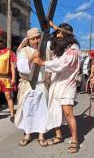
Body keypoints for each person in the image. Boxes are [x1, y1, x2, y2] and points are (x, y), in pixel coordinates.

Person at [33, 21, 80, 153]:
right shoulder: (57, 47)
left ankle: (75, 139)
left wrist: (43, 63)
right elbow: (46, 45)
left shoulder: (73, 48)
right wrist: (44, 34)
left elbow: (63, 64)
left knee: (67, 112)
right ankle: (58, 135)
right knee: (54, 109)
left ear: (68, 35)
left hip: (68, 84)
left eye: (61, 32)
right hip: (55, 83)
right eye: (57, 32)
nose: (58, 35)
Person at [15, 28, 48, 147]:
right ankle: (27, 134)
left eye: (38, 38)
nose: (36, 41)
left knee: (42, 111)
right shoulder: (24, 51)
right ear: (29, 40)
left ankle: (41, 135)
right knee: (27, 110)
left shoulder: (46, 50)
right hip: (28, 85)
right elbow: (22, 67)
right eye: (33, 39)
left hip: (41, 84)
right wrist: (32, 57)